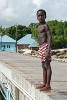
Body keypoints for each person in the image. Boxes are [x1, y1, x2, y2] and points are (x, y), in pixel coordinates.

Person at [36, 9, 52, 91]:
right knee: (43, 66)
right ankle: (44, 83)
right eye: (39, 15)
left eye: (42, 15)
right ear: (37, 17)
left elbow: (49, 37)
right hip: (41, 46)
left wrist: (48, 50)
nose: (40, 17)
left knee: (47, 65)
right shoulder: (39, 26)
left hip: (46, 46)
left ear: (45, 16)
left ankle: (48, 85)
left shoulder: (46, 25)